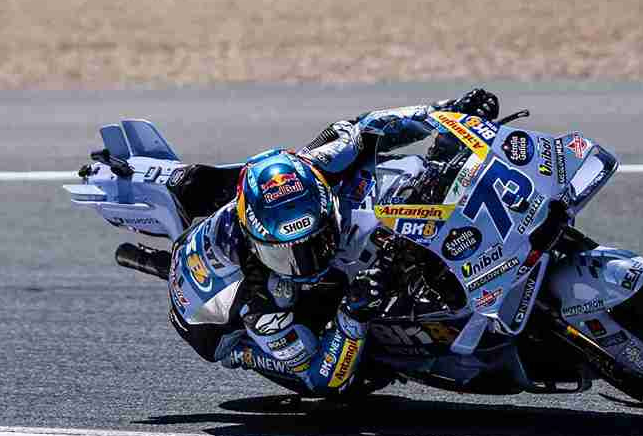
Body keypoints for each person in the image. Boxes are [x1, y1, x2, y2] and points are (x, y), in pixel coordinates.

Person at [165, 88, 505, 396]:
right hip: (211, 315)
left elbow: (371, 127)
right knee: (343, 377)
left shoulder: (321, 164)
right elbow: (320, 378)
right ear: (259, 244)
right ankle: (248, 354)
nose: (307, 262)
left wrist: (445, 113)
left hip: (268, 205)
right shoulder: (262, 303)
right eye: (287, 254)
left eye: (316, 242)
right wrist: (352, 316)